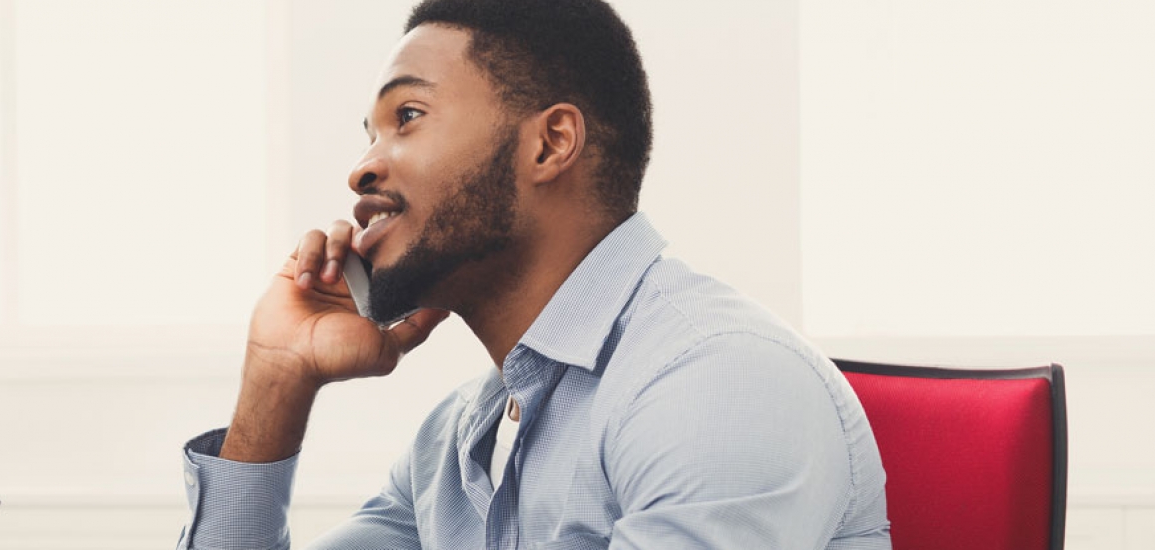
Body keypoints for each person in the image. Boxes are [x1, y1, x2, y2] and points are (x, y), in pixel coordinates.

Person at [174, 0, 891, 548]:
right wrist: (277, 377)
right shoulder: (453, 444)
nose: (362, 166)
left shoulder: (715, 383)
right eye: (371, 133)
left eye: (409, 115)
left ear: (550, 145)